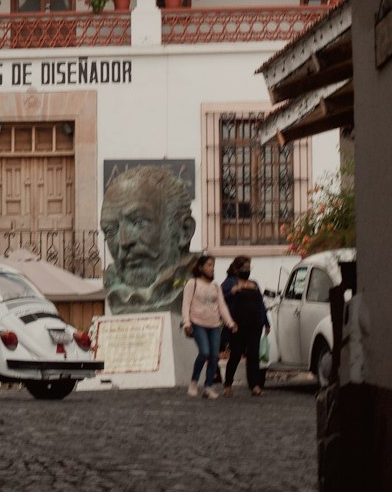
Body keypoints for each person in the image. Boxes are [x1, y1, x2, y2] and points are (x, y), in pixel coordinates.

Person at [101, 165, 196, 313]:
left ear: (184, 231)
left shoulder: (196, 287)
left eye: (138, 222)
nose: (124, 242)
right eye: (111, 230)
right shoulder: (114, 288)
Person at [182, 253, 235, 399]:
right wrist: (187, 322)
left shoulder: (215, 286)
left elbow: (222, 307)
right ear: (201, 267)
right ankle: (193, 382)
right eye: (209, 265)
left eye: (213, 266)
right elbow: (186, 305)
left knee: (214, 356)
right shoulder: (192, 283)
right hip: (198, 323)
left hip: (214, 325)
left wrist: (230, 323)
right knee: (204, 352)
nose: (212, 269)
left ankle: (208, 386)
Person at [221, 255, 270, 396]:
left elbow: (261, 304)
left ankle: (254, 385)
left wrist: (266, 322)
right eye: (244, 268)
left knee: (253, 355)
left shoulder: (253, 284)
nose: (247, 270)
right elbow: (220, 298)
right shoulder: (230, 283)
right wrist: (232, 292)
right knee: (236, 355)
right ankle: (228, 384)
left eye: (249, 268)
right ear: (236, 269)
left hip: (255, 324)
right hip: (238, 325)